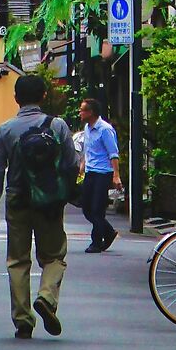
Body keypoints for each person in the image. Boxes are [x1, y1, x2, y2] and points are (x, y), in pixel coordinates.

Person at [0, 72, 79, 341]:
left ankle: (23, 320)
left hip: (17, 198)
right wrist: (65, 190)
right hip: (49, 200)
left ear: (16, 98)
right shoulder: (58, 126)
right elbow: (71, 163)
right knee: (54, 256)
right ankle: (46, 298)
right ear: (44, 96)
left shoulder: (5, 130)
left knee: (18, 260)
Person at [76, 96, 121, 253]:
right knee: (86, 207)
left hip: (103, 173)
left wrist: (116, 175)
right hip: (90, 172)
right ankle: (108, 232)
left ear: (91, 112)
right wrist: (82, 166)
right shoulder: (88, 128)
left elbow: (113, 153)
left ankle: (97, 241)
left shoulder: (105, 129)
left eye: (82, 110)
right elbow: (88, 151)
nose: (79, 113)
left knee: (97, 209)